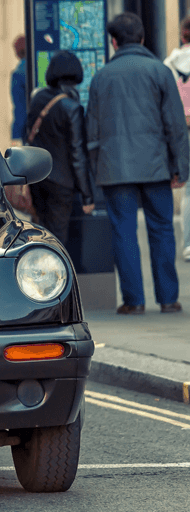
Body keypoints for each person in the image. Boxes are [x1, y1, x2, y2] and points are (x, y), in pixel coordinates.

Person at [86, 12, 189, 315]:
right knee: (162, 230)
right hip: (156, 167)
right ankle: (168, 299)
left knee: (124, 232)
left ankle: (134, 300)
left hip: (115, 170)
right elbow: (174, 125)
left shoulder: (101, 77)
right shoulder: (159, 71)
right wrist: (180, 167)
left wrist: (97, 170)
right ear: (142, 38)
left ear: (114, 42)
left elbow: (92, 131)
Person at [25, 51, 95, 246]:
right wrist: (87, 195)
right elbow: (77, 154)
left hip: (38, 178)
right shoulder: (72, 107)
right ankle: (56, 274)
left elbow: (28, 134)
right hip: (61, 183)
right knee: (58, 238)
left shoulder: (38, 99)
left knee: (41, 230)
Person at [163, 16, 190, 262]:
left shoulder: (169, 64)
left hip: (181, 128)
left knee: (188, 190)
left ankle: (189, 244)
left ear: (183, 34)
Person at [11, 35, 28, 145]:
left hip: (28, 129)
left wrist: (15, 136)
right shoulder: (43, 67)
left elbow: (19, 108)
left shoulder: (17, 74)